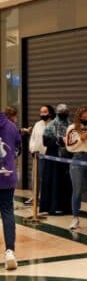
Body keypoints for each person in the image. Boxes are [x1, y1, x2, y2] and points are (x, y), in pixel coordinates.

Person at [41, 104, 73, 215]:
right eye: (61, 112)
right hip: (53, 158)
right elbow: (45, 142)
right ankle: (53, 207)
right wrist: (59, 140)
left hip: (67, 158)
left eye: (65, 112)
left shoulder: (71, 125)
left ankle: (66, 207)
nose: (64, 114)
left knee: (66, 183)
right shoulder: (51, 125)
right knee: (54, 182)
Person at [0, 109, 21, 270]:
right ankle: (10, 252)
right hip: (6, 176)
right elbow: (17, 149)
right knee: (7, 211)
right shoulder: (11, 126)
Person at [24, 105, 55, 206]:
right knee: (34, 177)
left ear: (50, 113)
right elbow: (32, 139)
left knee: (44, 177)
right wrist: (32, 150)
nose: (42, 114)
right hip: (36, 156)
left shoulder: (53, 124)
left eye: (45, 112)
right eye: (41, 112)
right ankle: (35, 196)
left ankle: (44, 197)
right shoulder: (37, 124)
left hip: (47, 156)